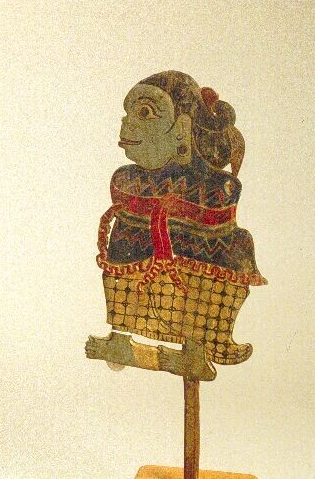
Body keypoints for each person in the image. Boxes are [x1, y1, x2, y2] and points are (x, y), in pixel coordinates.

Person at [86, 71, 266, 380]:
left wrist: (176, 209)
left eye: (145, 113)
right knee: (123, 247)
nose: (127, 122)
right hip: (141, 252)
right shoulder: (127, 177)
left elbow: (217, 214)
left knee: (225, 259)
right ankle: (120, 337)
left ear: (182, 128)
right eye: (129, 112)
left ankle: (196, 350)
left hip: (195, 257)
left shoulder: (216, 185)